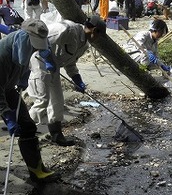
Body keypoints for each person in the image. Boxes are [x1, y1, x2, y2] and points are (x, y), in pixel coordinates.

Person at [27, 15, 106, 146]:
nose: (97, 39)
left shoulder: (84, 45)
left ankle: (56, 135)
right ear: (94, 30)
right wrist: (47, 57)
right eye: (98, 35)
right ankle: (24, 132)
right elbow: (40, 39)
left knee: (57, 102)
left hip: (54, 66)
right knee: (42, 100)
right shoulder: (67, 29)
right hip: (39, 61)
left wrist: (77, 79)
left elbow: (70, 63)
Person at [0, 19, 60, 183]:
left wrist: (23, 77)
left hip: (7, 88)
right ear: (23, 37)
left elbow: (25, 62)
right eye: (33, 45)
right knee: (13, 120)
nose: (35, 48)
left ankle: (36, 171)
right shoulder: (4, 53)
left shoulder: (25, 44)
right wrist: (7, 114)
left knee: (27, 126)